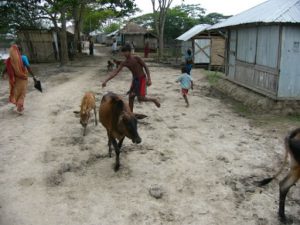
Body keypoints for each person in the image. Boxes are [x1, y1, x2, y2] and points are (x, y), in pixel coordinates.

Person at [102, 44, 160, 112]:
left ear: (129, 51)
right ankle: (130, 114)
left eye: (125, 52)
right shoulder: (125, 62)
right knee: (131, 97)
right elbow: (115, 72)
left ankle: (154, 100)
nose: (124, 53)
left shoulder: (136, 58)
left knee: (141, 98)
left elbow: (145, 67)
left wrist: (149, 78)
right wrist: (106, 80)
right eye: (123, 52)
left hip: (142, 79)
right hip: (135, 80)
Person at [2, 44, 36, 113]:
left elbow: (6, 68)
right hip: (22, 79)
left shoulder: (10, 59)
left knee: (17, 93)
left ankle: (19, 105)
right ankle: (20, 107)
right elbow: (28, 67)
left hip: (15, 79)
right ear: (19, 51)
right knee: (22, 93)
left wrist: (2, 74)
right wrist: (33, 76)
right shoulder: (23, 58)